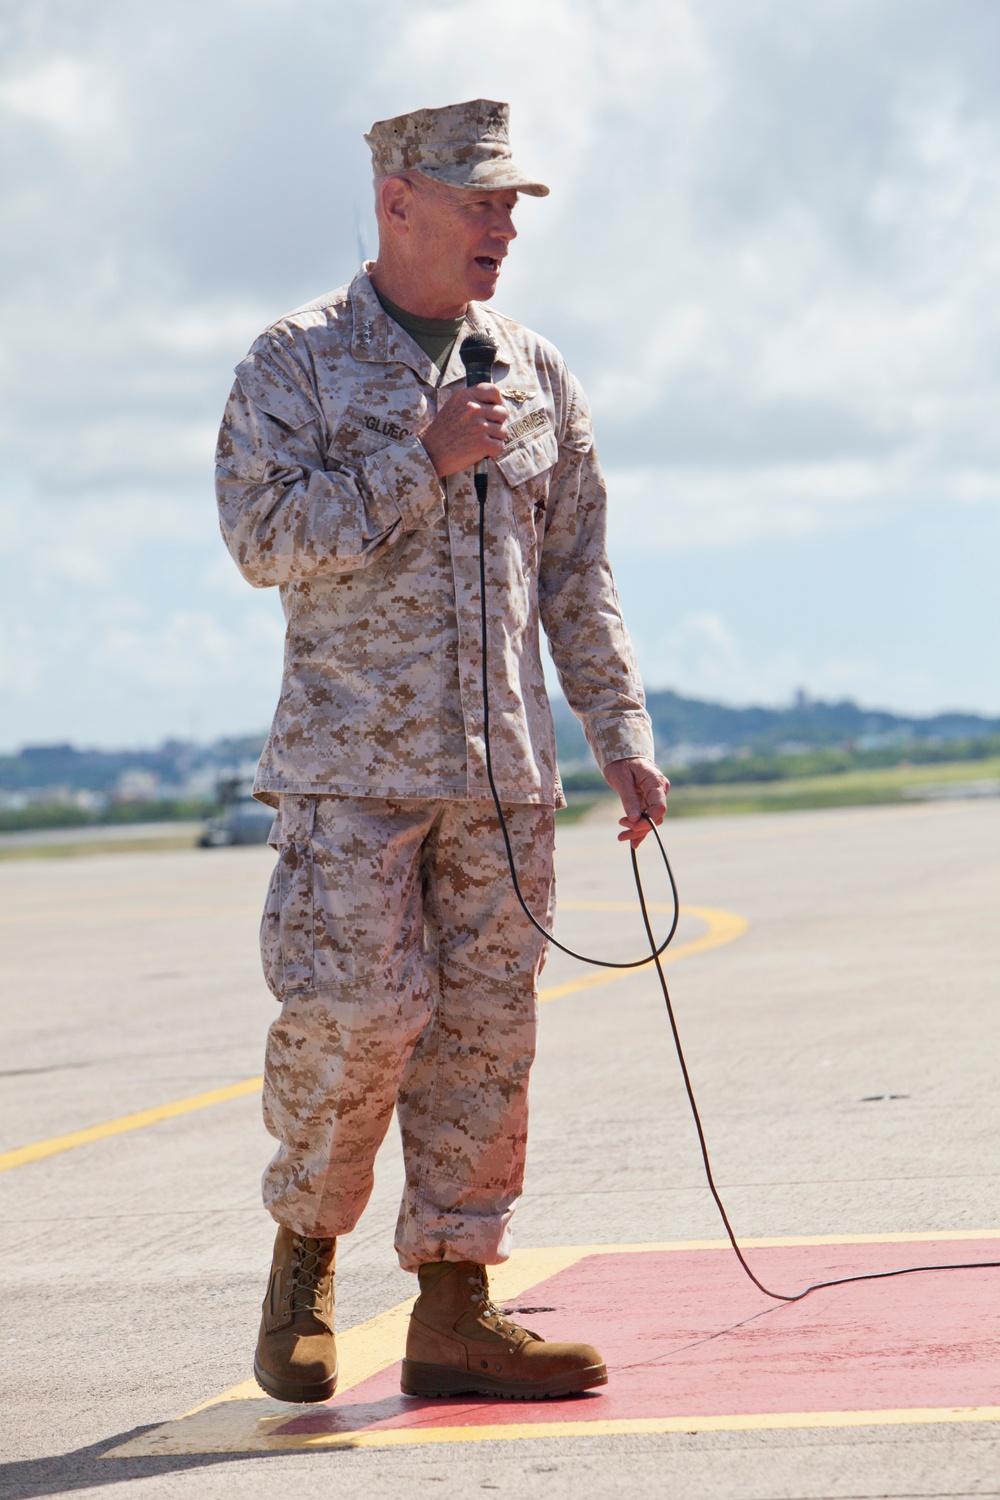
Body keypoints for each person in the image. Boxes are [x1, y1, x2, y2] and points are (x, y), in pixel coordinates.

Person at [215, 98, 669, 1406]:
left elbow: (577, 572)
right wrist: (416, 459)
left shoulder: (534, 370)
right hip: (351, 777)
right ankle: (304, 1266)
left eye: (512, 205)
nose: (501, 227)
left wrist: (620, 734)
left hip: (503, 779)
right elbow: (264, 540)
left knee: (483, 1043)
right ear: (395, 202)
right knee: (355, 1024)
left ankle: (459, 1308)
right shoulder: (295, 360)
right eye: (478, 202)